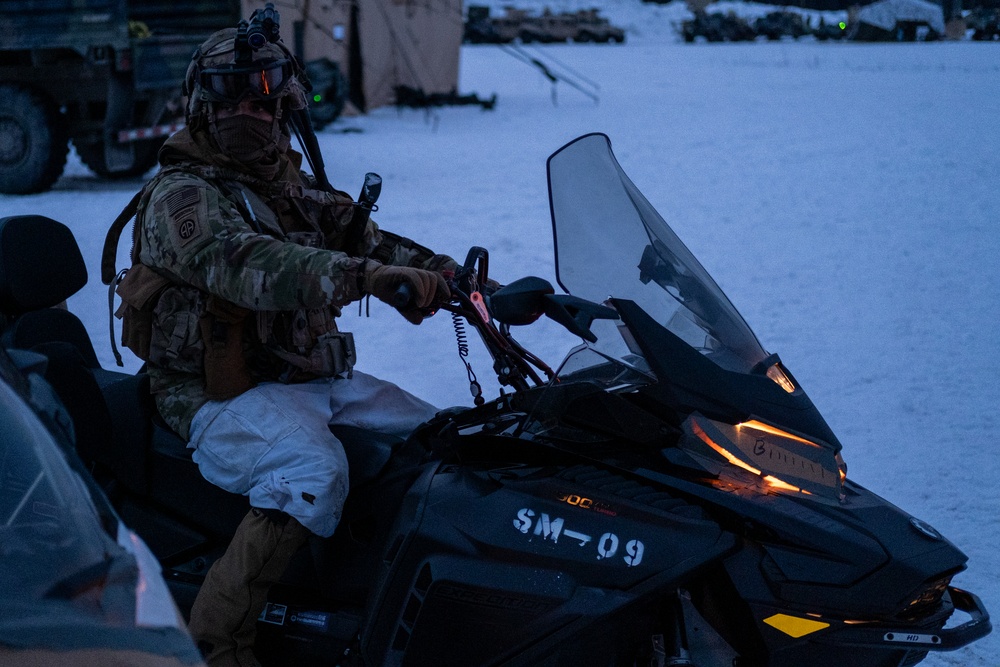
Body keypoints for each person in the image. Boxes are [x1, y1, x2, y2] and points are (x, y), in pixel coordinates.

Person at [112, 21, 458, 667]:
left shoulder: (286, 184)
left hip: (302, 379)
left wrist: (456, 277)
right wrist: (368, 278)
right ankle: (218, 644)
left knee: (438, 440)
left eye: (260, 99)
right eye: (229, 101)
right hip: (209, 390)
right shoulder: (182, 194)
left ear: (283, 107)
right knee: (309, 470)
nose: (246, 114)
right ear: (201, 105)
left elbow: (369, 243)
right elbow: (243, 261)